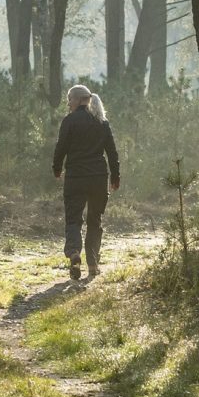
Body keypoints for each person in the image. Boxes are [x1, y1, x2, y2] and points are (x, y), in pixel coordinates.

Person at [52, 83, 119, 281]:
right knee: (94, 220)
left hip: (76, 178)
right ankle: (92, 263)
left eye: (70, 99)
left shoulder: (70, 121)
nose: (68, 103)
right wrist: (115, 177)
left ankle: (74, 253)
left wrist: (57, 168)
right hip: (98, 178)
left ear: (80, 99)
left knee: (73, 218)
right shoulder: (102, 122)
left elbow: (61, 147)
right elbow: (112, 152)